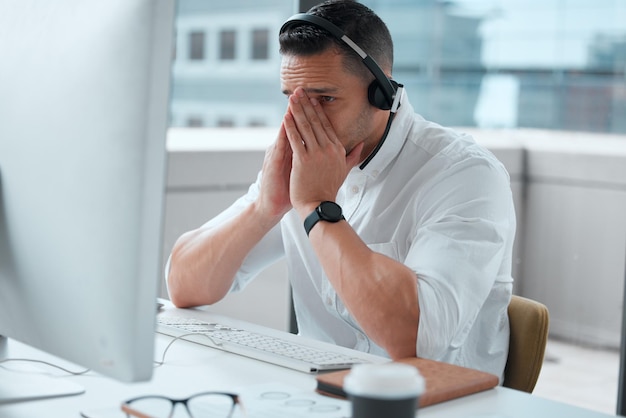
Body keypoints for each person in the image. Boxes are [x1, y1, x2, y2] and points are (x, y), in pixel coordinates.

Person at [166, 0, 516, 380]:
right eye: (292, 99)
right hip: (317, 395)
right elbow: (183, 286)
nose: (303, 120)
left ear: (382, 91)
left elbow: (416, 340)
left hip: (432, 404)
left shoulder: (465, 174)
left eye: (326, 99)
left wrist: (317, 207)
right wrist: (265, 208)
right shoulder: (304, 168)